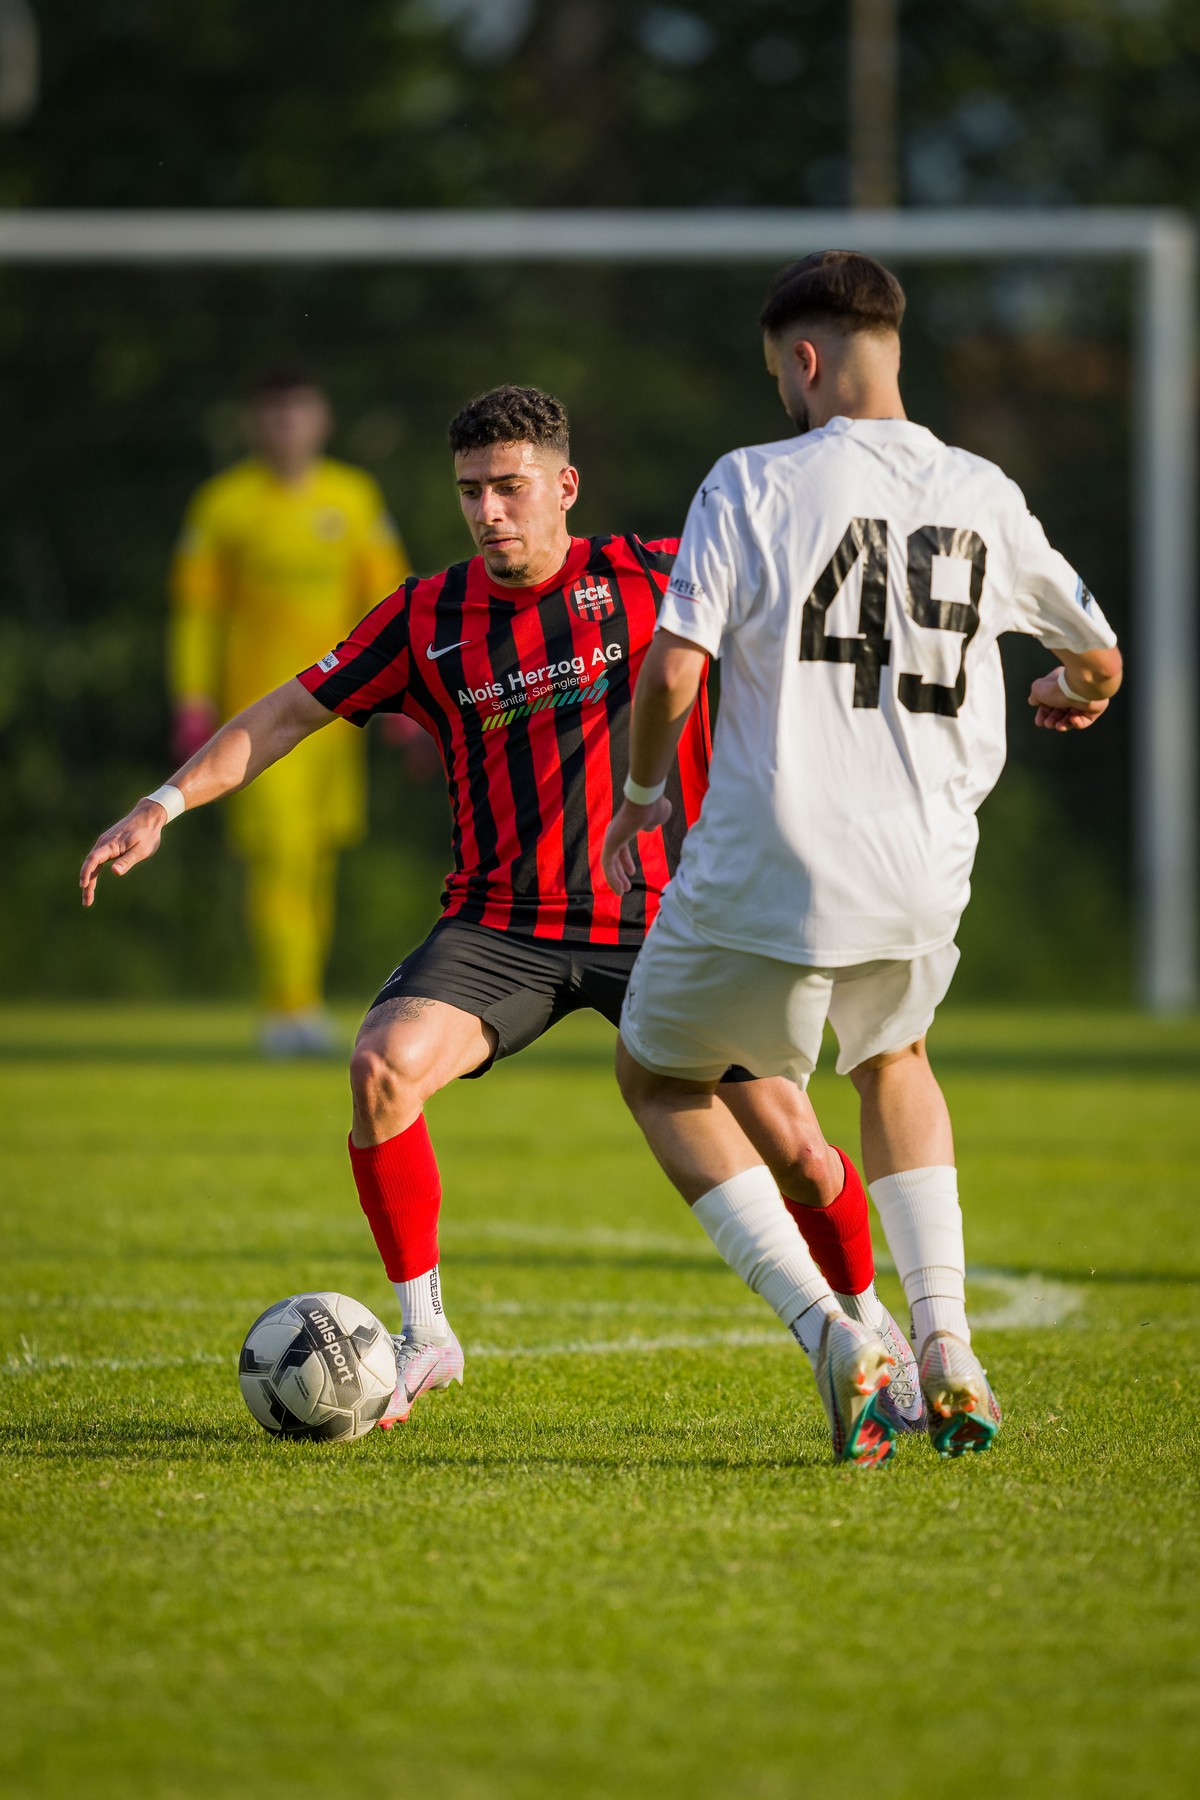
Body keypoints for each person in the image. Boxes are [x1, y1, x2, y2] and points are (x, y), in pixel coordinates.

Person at [81, 384, 918, 1464]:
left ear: (565, 486)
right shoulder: (425, 617)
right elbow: (288, 711)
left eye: (510, 487)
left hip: (667, 920)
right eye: (471, 491)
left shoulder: (659, 576)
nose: (489, 511)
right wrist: (163, 804)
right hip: (501, 929)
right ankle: (426, 1331)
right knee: (381, 1068)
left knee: (797, 1148)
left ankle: (872, 1329)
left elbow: (822, 602)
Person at [602, 252, 1122, 1459]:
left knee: (660, 1077)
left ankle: (834, 1330)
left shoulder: (751, 479)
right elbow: (1099, 657)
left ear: (804, 360)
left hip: (767, 864)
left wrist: (639, 797)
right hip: (922, 869)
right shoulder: (983, 489)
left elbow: (672, 673)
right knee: (894, 1059)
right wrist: (1072, 692)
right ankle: (949, 1342)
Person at [168, 365, 408, 1055]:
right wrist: (192, 698)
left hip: (339, 718)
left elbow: (392, 603)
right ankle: (287, 1007)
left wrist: (406, 698)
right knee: (279, 857)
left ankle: (304, 1002)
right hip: (257, 720)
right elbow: (196, 613)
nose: (286, 426)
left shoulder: (354, 497)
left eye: (298, 411)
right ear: (254, 423)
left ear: (321, 419)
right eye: (273, 414)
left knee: (318, 860)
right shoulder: (223, 505)